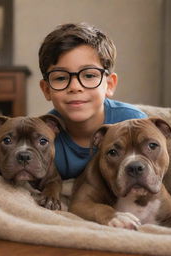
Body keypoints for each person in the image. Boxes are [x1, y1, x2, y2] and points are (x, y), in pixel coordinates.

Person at [39, 22, 147, 180]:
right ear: (46, 90)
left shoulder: (133, 122)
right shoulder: (43, 139)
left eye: (89, 75)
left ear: (109, 85)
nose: (75, 87)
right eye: (61, 78)